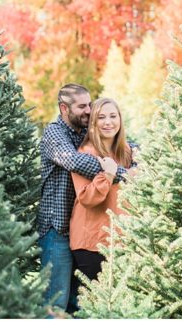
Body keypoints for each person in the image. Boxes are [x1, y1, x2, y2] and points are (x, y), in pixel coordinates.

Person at [37, 84, 133, 315]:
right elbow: (75, 162)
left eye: (90, 104)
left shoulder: (83, 130)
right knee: (55, 301)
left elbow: (116, 139)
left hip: (82, 227)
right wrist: (118, 173)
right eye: (82, 106)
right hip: (57, 228)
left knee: (77, 303)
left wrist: (134, 159)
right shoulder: (55, 134)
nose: (88, 110)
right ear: (64, 108)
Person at [69, 98, 134, 297]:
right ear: (93, 123)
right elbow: (87, 198)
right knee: (95, 304)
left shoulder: (126, 152)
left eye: (113, 116)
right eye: (101, 117)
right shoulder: (86, 152)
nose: (108, 122)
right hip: (92, 242)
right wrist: (108, 175)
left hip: (121, 241)